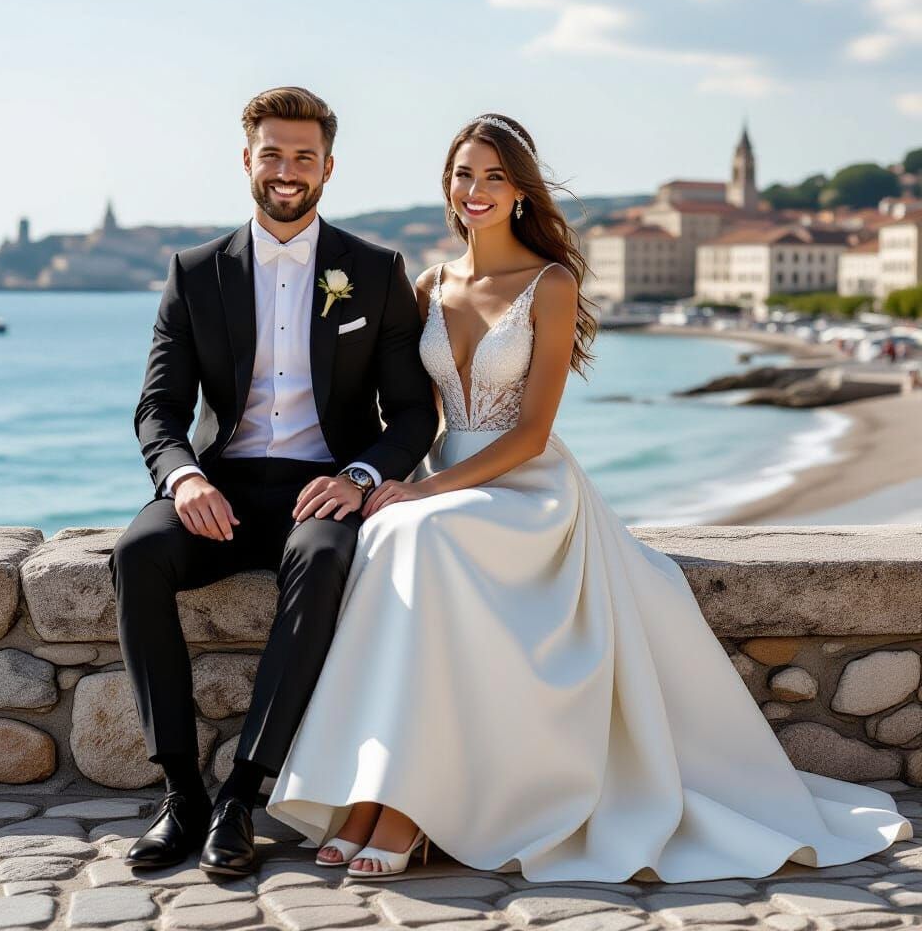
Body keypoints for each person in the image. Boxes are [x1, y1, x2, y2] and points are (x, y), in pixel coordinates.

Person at [265, 114, 912, 883]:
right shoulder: (431, 284)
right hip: (445, 482)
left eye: (494, 177)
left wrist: (425, 489)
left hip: (526, 489)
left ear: (519, 193)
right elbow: (413, 412)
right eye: (463, 174)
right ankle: (372, 794)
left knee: (420, 534)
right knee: (392, 536)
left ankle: (407, 807)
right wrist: (363, 474)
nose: (474, 190)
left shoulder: (551, 283)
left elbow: (532, 434)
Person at [109, 86, 438, 875]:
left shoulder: (377, 271)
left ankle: (242, 796)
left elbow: (413, 417)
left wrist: (360, 476)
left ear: (328, 167)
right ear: (246, 160)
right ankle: (183, 794)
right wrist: (184, 478)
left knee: (323, 559)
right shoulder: (194, 274)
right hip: (218, 485)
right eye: (272, 154)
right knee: (135, 556)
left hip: (321, 488)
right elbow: (158, 408)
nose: (286, 171)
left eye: (303, 156)